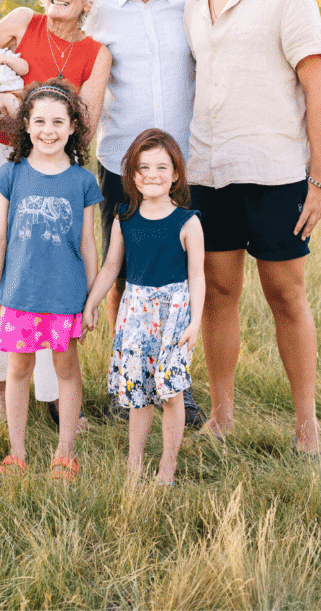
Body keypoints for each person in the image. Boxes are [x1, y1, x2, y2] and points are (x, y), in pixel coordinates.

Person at [185, 0, 321, 456]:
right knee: (219, 292)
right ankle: (222, 415)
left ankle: (306, 423)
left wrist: (318, 180)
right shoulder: (193, 2)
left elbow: (317, 90)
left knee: (285, 295)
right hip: (210, 172)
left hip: (276, 173)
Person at [0, 0, 112, 430]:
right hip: (0, 158)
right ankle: (8, 382)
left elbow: (85, 122)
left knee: (53, 266)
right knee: (1, 259)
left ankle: (54, 391)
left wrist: (28, 117)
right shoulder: (22, 21)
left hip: (55, 170)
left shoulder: (96, 53)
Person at [84, 0, 205, 428]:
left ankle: (179, 382)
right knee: (124, 277)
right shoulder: (100, 12)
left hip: (185, 168)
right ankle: (127, 383)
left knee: (181, 277)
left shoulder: (192, 4)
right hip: (121, 167)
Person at [0, 81, 102, 481]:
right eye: (40, 121)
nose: (48, 130)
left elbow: (88, 243)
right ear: (26, 125)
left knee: (67, 371)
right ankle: (16, 453)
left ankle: (64, 453)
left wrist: (91, 301)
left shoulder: (82, 181)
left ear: (72, 127)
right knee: (18, 370)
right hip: (19, 294)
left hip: (65, 297)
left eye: (58, 121)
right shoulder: (11, 174)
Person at [83, 129, 204, 484]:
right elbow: (110, 268)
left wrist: (195, 322)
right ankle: (134, 462)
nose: (152, 174)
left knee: (170, 392)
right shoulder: (124, 218)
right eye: (143, 167)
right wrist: (91, 304)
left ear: (176, 174)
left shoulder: (188, 221)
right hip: (135, 314)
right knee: (137, 394)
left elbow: (197, 276)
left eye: (162, 167)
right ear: (132, 174)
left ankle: (168, 464)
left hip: (173, 316)